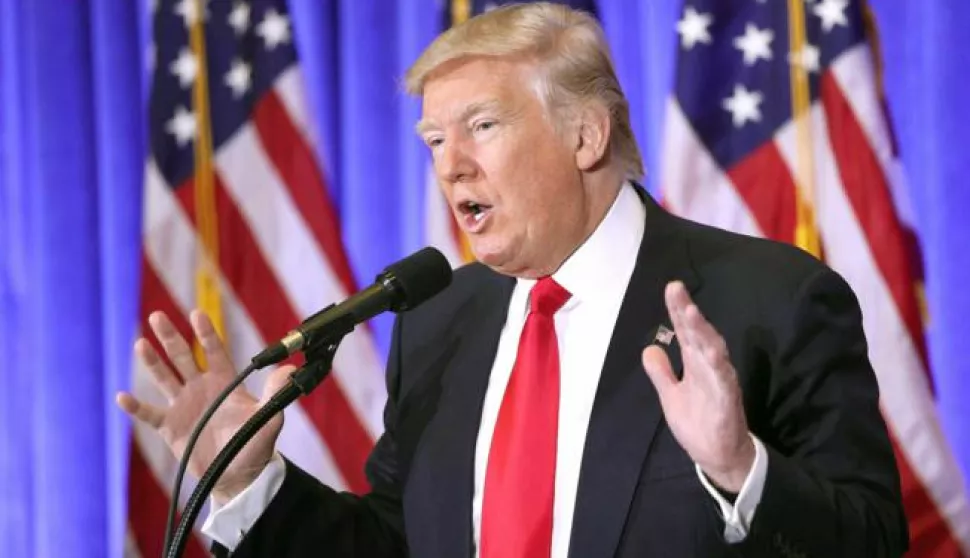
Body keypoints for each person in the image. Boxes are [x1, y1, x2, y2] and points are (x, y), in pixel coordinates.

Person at [116, 3, 908, 557]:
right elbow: (399, 544)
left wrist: (742, 472)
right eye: (433, 139)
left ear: (586, 134)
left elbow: (873, 539)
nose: (449, 164)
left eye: (482, 127)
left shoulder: (769, 299)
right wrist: (256, 484)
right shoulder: (439, 320)